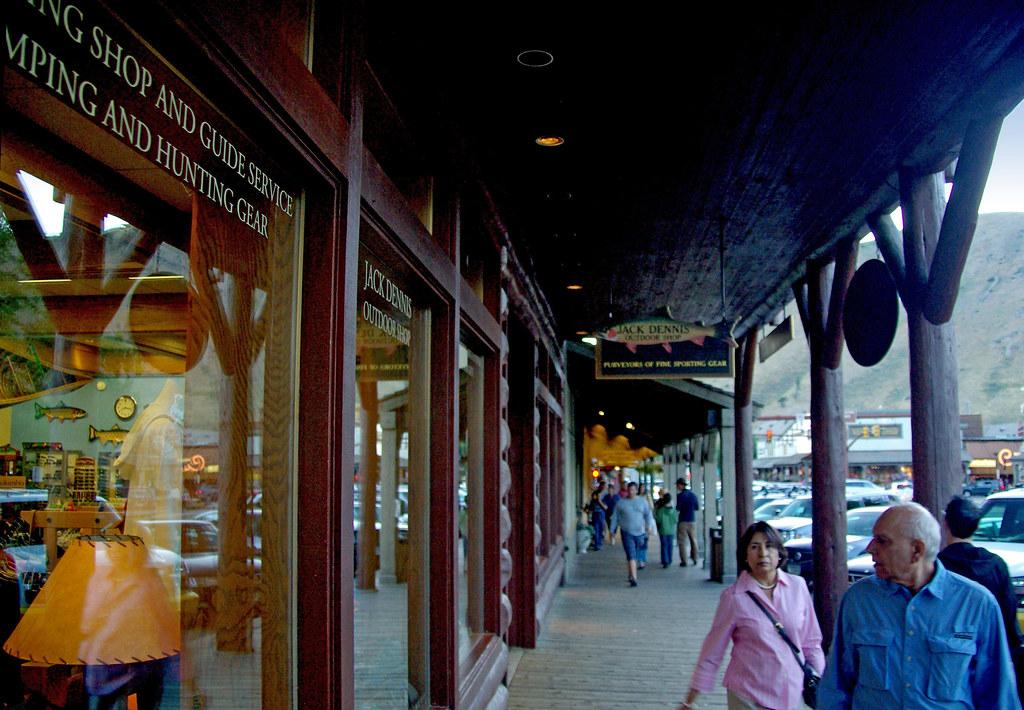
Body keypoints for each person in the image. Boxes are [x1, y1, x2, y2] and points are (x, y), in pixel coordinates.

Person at [819, 502, 1020, 709]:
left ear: (917, 550)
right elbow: (836, 687)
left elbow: (999, 696)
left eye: (882, 541)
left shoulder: (977, 603)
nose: (870, 549)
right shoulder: (859, 599)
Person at [680, 521, 823, 710]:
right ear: (746, 555)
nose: (763, 553)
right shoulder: (734, 597)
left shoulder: (798, 587)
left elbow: (811, 643)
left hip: (792, 693)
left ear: (779, 553)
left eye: (769, 546)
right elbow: (712, 652)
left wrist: (824, 688)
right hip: (748, 696)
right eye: (755, 547)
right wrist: (690, 700)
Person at [939, 495, 1024, 704]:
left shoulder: (936, 567)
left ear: (945, 524)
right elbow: (1009, 615)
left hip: (946, 659)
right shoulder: (995, 565)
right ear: (977, 526)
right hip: (991, 654)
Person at [609, 481, 655, 587]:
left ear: (636, 490)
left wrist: (649, 526)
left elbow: (648, 515)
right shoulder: (621, 503)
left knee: (636, 553)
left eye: (633, 490)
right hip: (626, 532)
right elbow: (615, 517)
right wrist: (612, 530)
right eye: (629, 490)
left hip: (640, 533)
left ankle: (631, 573)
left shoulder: (643, 502)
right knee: (631, 554)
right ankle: (634, 578)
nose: (631, 492)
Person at [676, 477, 700, 566]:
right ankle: (695, 558)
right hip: (692, 520)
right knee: (693, 540)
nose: (677, 487)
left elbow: (678, 508)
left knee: (682, 541)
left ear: (681, 485)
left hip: (682, 520)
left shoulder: (680, 496)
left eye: (678, 485)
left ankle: (684, 560)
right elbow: (697, 507)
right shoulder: (693, 495)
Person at [654, 492, 678, 568]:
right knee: (670, 545)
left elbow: (658, 520)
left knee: (664, 545)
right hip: (671, 530)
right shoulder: (674, 511)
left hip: (663, 530)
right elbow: (676, 520)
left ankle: (665, 561)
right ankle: (669, 559)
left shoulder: (661, 510)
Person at [588, 485, 607, 551]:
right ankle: (597, 545)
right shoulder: (594, 502)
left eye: (600, 496)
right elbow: (589, 508)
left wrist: (600, 502)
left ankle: (599, 543)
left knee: (600, 531)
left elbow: (605, 507)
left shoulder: (603, 501)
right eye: (598, 496)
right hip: (595, 517)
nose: (599, 497)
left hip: (601, 517)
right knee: (596, 531)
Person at [602, 482, 620, 546]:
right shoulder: (606, 497)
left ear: (613, 490)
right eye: (608, 490)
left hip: (615, 514)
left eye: (610, 489)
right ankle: (612, 537)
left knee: (615, 526)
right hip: (608, 513)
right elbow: (604, 503)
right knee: (610, 525)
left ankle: (613, 535)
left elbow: (619, 504)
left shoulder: (617, 497)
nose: (609, 491)